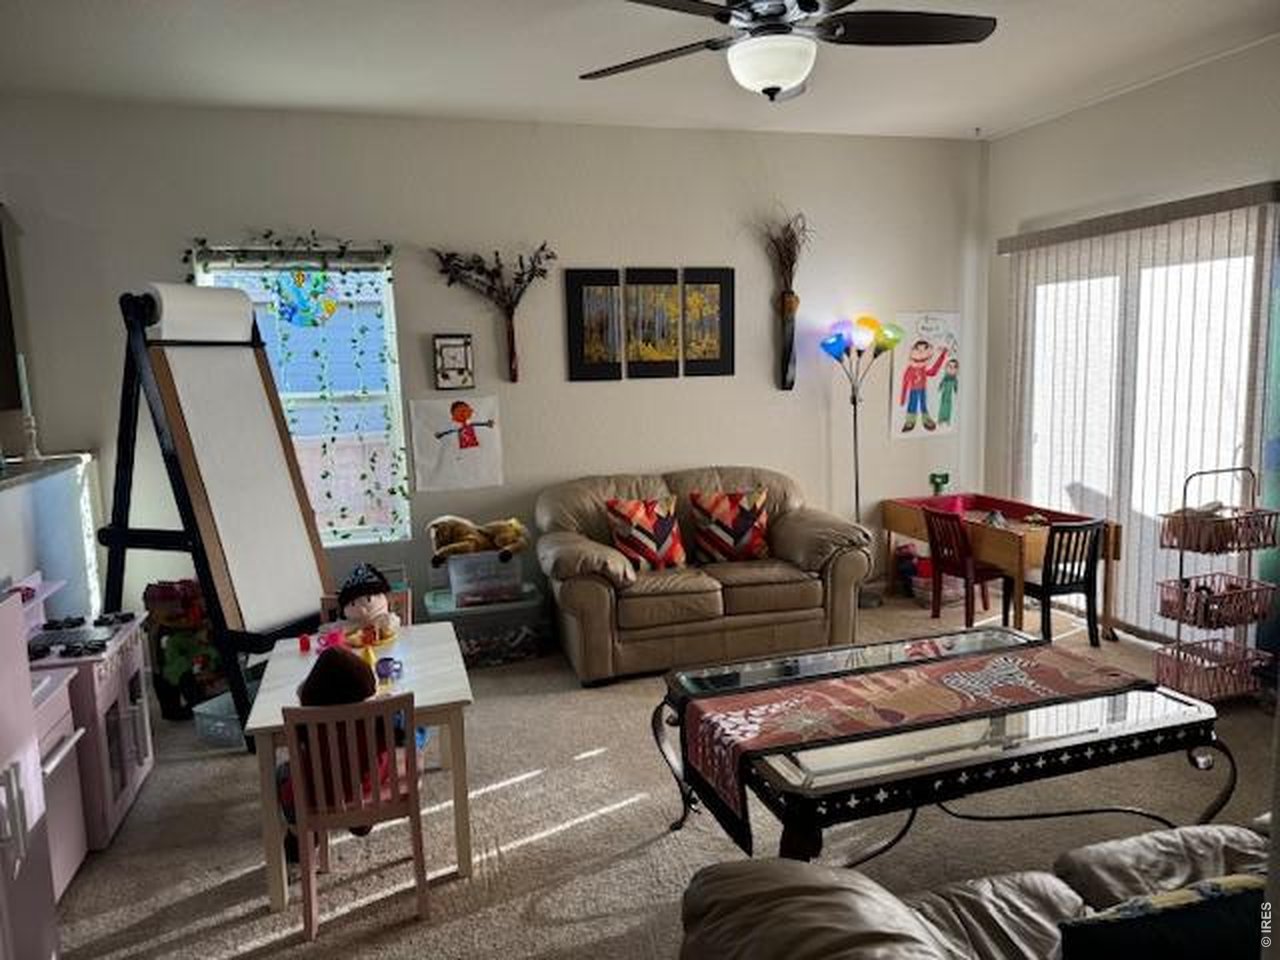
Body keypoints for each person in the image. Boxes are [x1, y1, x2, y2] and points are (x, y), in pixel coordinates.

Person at [899, 339, 948, 432]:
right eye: (918, 349)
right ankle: (910, 421)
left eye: (924, 349)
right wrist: (903, 397)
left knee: (923, 404)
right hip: (913, 389)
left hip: (922, 389)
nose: (921, 353)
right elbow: (905, 382)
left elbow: (933, 371)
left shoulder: (923, 369)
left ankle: (925, 420)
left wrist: (942, 356)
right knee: (912, 404)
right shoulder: (910, 369)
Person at [938, 357, 959, 426]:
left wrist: (956, 390)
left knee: (948, 407)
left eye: (954, 367)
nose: (952, 369)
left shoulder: (954, 379)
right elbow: (941, 383)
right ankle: (940, 419)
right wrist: (940, 387)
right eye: (950, 366)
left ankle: (947, 419)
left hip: (949, 396)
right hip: (944, 395)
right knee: (942, 406)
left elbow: (955, 386)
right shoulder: (945, 377)